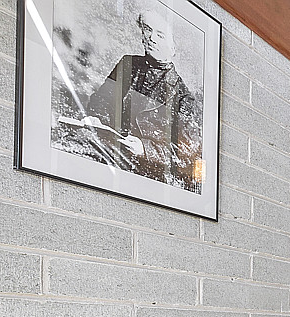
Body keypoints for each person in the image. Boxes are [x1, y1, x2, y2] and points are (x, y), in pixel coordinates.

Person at [81, 8, 203, 192]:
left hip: (148, 171)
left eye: (160, 35)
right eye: (148, 30)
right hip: (111, 149)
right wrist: (96, 118)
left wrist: (145, 148)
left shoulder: (183, 97)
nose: (151, 38)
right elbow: (102, 99)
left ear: (174, 47)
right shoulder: (127, 64)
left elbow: (186, 151)